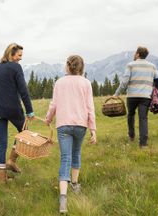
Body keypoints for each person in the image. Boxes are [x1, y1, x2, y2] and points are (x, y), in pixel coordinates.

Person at [45, 55, 96, 214]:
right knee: (76, 153)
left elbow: (54, 104)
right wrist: (93, 129)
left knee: (65, 157)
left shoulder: (59, 82)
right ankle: (74, 184)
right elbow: (90, 108)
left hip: (63, 125)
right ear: (82, 67)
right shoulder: (86, 83)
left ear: (68, 66)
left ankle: (63, 198)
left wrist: (48, 119)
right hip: (81, 125)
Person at [0, 43, 34, 183]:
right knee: (24, 131)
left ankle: (1, 177)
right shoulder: (15, 67)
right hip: (12, 108)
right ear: (11, 54)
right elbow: (23, 90)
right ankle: (12, 161)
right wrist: (29, 110)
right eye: (19, 55)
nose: (20, 58)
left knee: (2, 142)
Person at [113, 46, 158, 148]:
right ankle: (143, 144)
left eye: (135, 53)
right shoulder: (152, 66)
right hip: (146, 97)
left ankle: (131, 136)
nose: (134, 54)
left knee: (131, 114)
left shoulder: (130, 65)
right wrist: (155, 90)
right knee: (143, 118)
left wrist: (116, 94)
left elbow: (124, 81)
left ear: (138, 54)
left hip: (132, 96)